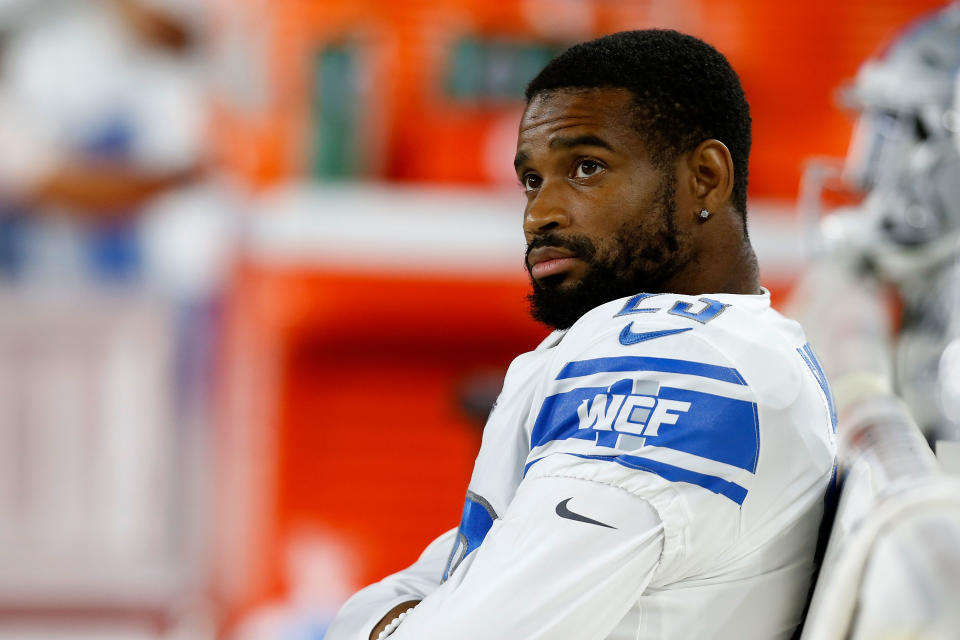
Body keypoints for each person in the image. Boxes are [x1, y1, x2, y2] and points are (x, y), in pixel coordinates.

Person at [326, 30, 837, 640]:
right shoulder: (690, 343)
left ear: (705, 176)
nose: (539, 215)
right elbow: (405, 597)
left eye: (586, 168)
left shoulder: (676, 365)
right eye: (533, 181)